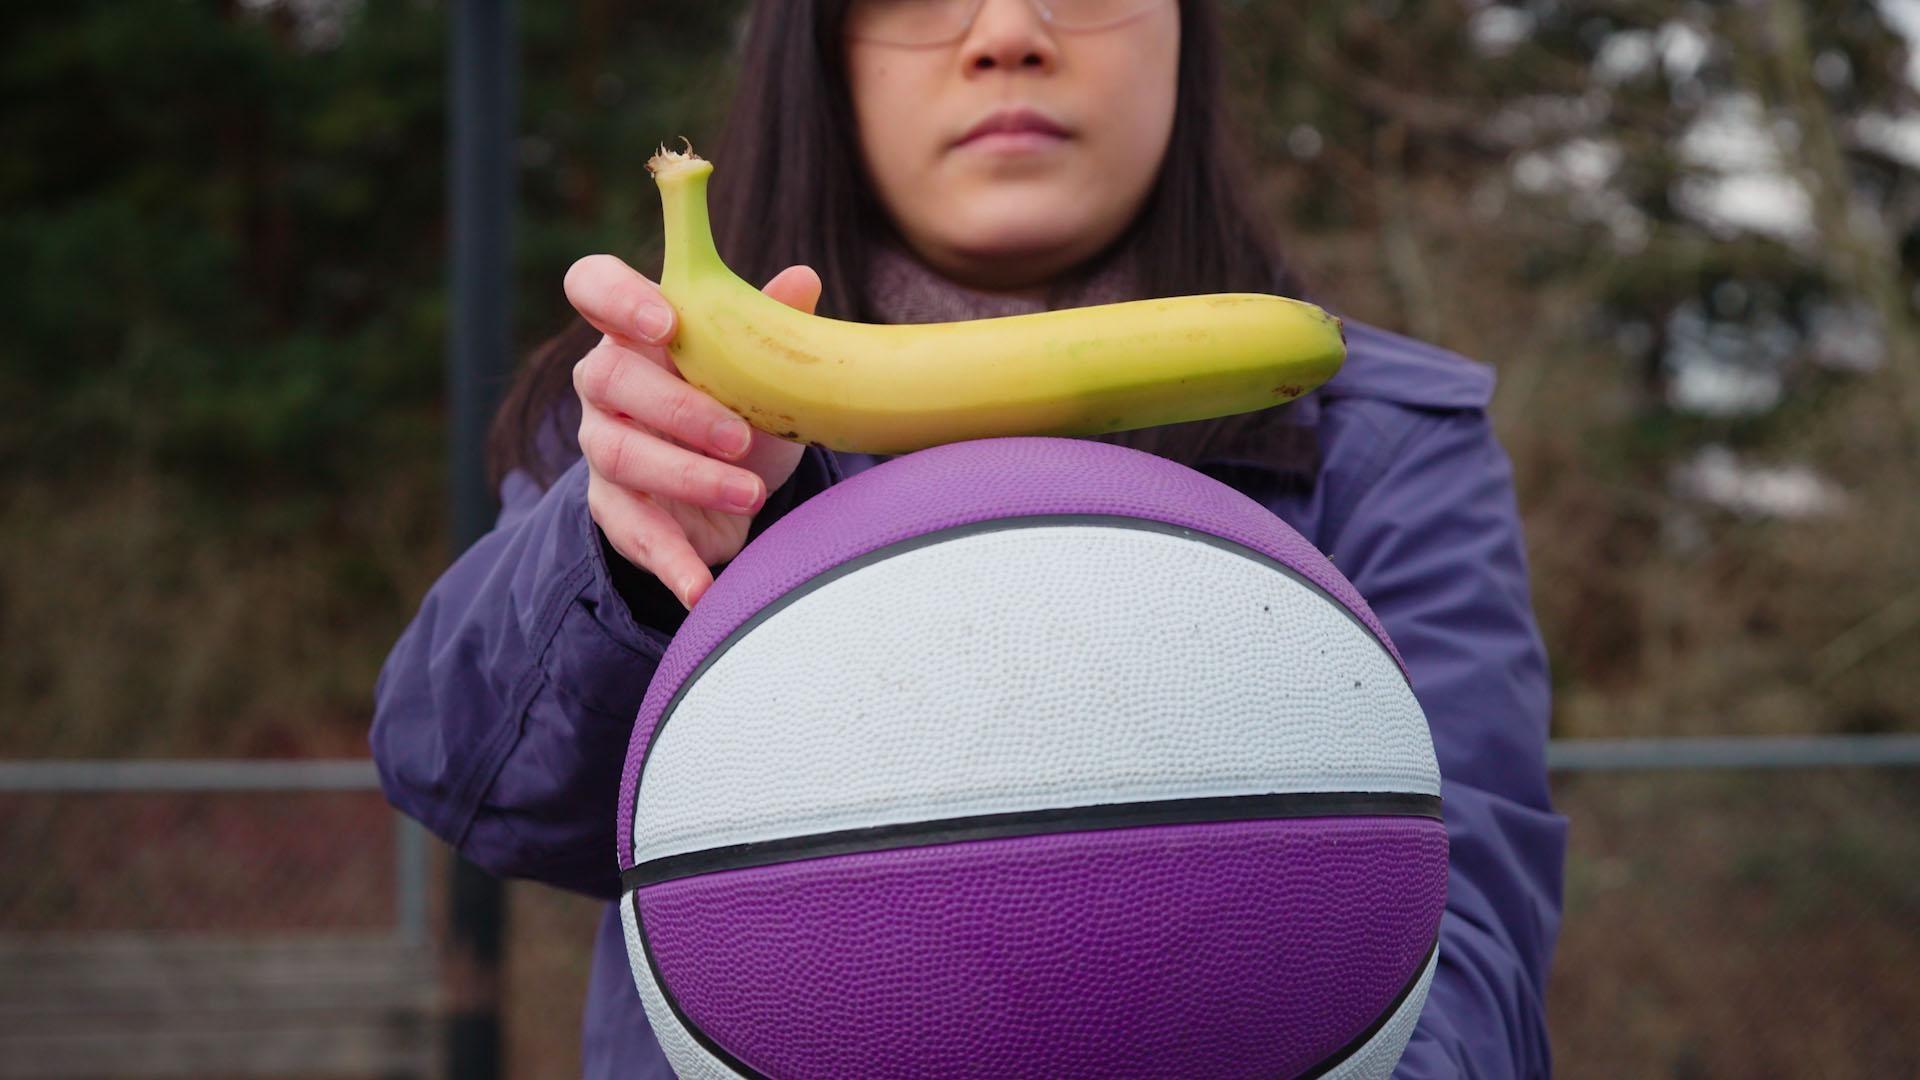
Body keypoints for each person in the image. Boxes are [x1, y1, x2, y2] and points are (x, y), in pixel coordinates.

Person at [371, 0, 1568, 1075]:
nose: (1008, 30)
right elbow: (462, 769)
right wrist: (653, 554)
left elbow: (1466, 941)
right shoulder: (664, 413)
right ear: (819, 45)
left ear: (1188, 35)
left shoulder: (1390, 440)